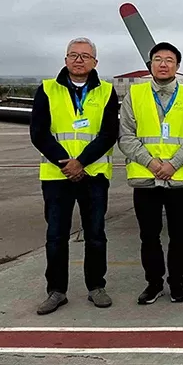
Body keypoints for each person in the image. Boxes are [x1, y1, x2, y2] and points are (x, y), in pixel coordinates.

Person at [29, 37, 119, 315]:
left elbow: (108, 134)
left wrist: (81, 162)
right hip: (57, 177)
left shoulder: (106, 91)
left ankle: (96, 287)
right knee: (56, 236)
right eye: (73, 55)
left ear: (95, 62)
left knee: (96, 235)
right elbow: (39, 132)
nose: (79, 60)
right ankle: (56, 291)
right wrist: (66, 164)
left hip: (94, 175)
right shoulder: (46, 90)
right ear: (65, 59)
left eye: (85, 56)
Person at [118, 42, 183, 305]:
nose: (163, 64)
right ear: (151, 65)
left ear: (177, 67)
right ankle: (154, 283)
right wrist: (152, 163)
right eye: (158, 59)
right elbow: (126, 136)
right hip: (145, 179)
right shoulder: (134, 96)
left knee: (181, 235)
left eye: (169, 60)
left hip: (178, 180)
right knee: (149, 235)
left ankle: (177, 283)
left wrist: (173, 164)